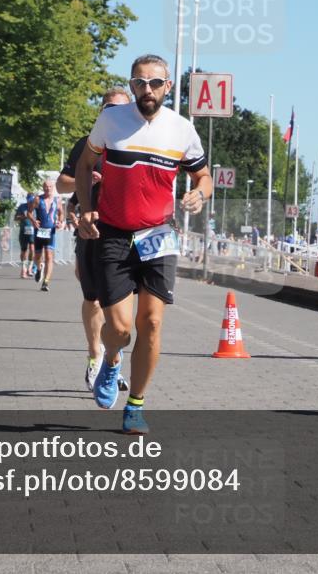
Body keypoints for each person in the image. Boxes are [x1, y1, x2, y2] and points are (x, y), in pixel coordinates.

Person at [75, 54, 211, 434]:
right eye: (139, 82)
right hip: (114, 234)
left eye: (154, 83)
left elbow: (203, 176)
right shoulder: (111, 121)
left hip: (158, 235)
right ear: (131, 85)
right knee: (119, 330)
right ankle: (112, 358)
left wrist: (200, 194)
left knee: (150, 323)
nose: (146, 90)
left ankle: (135, 405)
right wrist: (87, 210)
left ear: (168, 87)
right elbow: (86, 166)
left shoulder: (181, 130)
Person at [57, 86, 132, 391]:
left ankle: (112, 359)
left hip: (126, 233)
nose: (113, 114)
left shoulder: (137, 145)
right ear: (101, 112)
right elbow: (62, 184)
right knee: (94, 297)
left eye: (120, 109)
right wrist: (84, 179)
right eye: (108, 109)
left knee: (118, 304)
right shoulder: (88, 145)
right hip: (92, 229)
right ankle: (95, 356)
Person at [28, 180, 63, 292]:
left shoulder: (57, 200)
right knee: (37, 256)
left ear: (53, 187)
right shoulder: (38, 199)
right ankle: (39, 269)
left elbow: (61, 213)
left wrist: (60, 222)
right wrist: (33, 220)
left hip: (51, 231)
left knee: (49, 256)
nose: (48, 188)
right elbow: (29, 212)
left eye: (50, 186)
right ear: (43, 187)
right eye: (46, 186)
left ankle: (46, 282)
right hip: (39, 231)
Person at [15, 193, 36, 279]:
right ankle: (23, 270)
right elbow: (15, 218)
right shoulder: (22, 207)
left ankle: (30, 268)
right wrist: (23, 217)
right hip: (24, 231)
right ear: (27, 199)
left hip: (33, 231)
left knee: (32, 249)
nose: (30, 202)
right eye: (29, 200)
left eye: (31, 201)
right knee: (24, 251)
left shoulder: (36, 208)